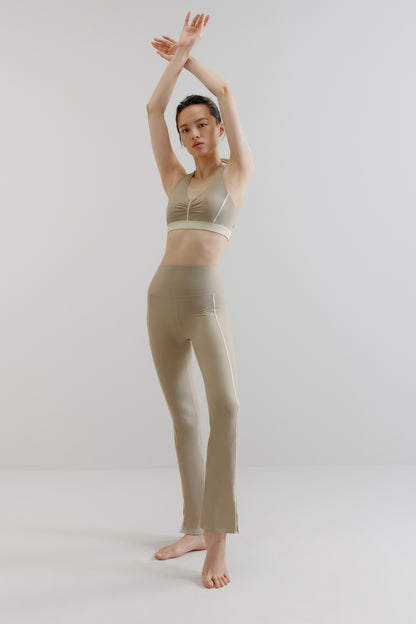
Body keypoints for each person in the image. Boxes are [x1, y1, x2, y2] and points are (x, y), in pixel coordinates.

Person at [146, 11, 255, 589]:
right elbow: (151, 111)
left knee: (226, 407)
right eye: (185, 129)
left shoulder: (236, 174)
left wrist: (189, 56)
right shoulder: (175, 178)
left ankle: (217, 538)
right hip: (161, 299)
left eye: (201, 125)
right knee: (184, 418)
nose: (192, 135)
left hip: (205, 300)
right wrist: (171, 69)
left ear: (217, 128)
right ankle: (192, 527)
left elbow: (228, 91)